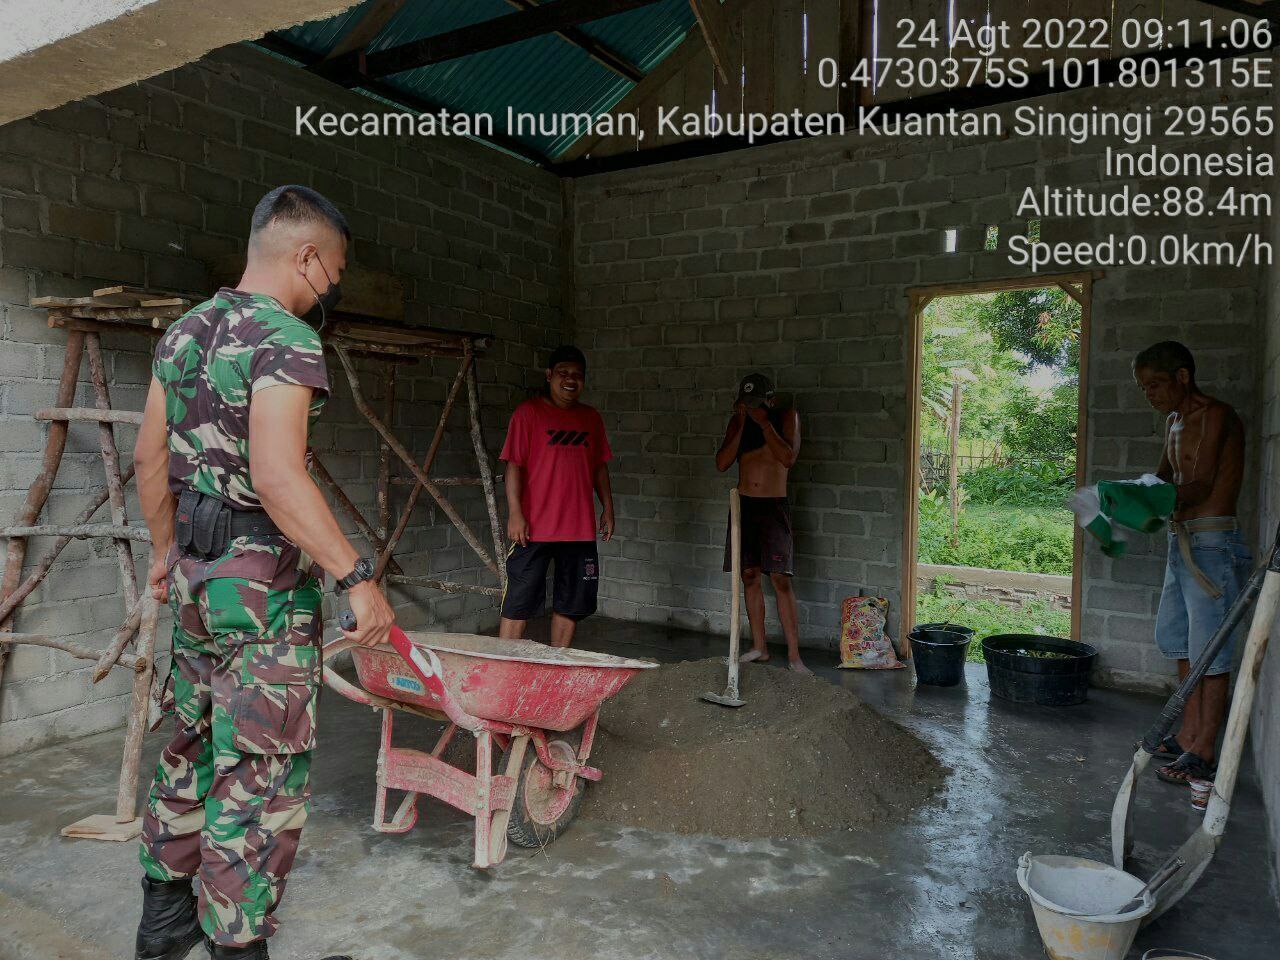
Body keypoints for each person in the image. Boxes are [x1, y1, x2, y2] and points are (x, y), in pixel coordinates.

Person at [132, 185, 396, 960]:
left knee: (188, 743)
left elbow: (151, 459)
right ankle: (236, 945)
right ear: (306, 256)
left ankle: (163, 928)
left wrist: (162, 552)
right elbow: (279, 479)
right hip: (261, 590)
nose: (332, 288)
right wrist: (357, 576)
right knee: (259, 769)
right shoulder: (286, 340)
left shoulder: (181, 333)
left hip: (194, 576)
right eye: (334, 273)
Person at [1134, 340, 1248, 787]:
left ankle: (1203, 750)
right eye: (1143, 389)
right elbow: (1165, 477)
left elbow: (1198, 487)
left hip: (1213, 542)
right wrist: (1125, 494)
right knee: (1180, 641)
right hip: (1181, 539)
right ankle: (1185, 736)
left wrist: (1141, 502)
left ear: (1183, 376)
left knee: (1211, 649)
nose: (1151, 395)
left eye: (1156, 384)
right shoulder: (1174, 421)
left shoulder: (1217, 415)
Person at [498, 345, 614, 648]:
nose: (570, 380)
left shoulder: (591, 418)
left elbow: (599, 467)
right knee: (519, 600)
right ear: (549, 376)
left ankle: (557, 660)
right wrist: (515, 513)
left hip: (579, 529)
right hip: (535, 527)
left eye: (577, 375)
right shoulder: (528, 414)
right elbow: (513, 466)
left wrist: (608, 508)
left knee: (571, 602)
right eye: (563, 373)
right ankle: (504, 663)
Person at [715, 373, 809, 674]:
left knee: (780, 578)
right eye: (747, 403)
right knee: (749, 575)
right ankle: (759, 647)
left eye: (757, 404)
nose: (753, 408)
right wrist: (742, 422)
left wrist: (764, 423)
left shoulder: (785, 418)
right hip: (744, 504)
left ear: (770, 400)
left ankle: (795, 657)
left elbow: (787, 458)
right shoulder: (739, 423)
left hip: (773, 506)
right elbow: (722, 463)